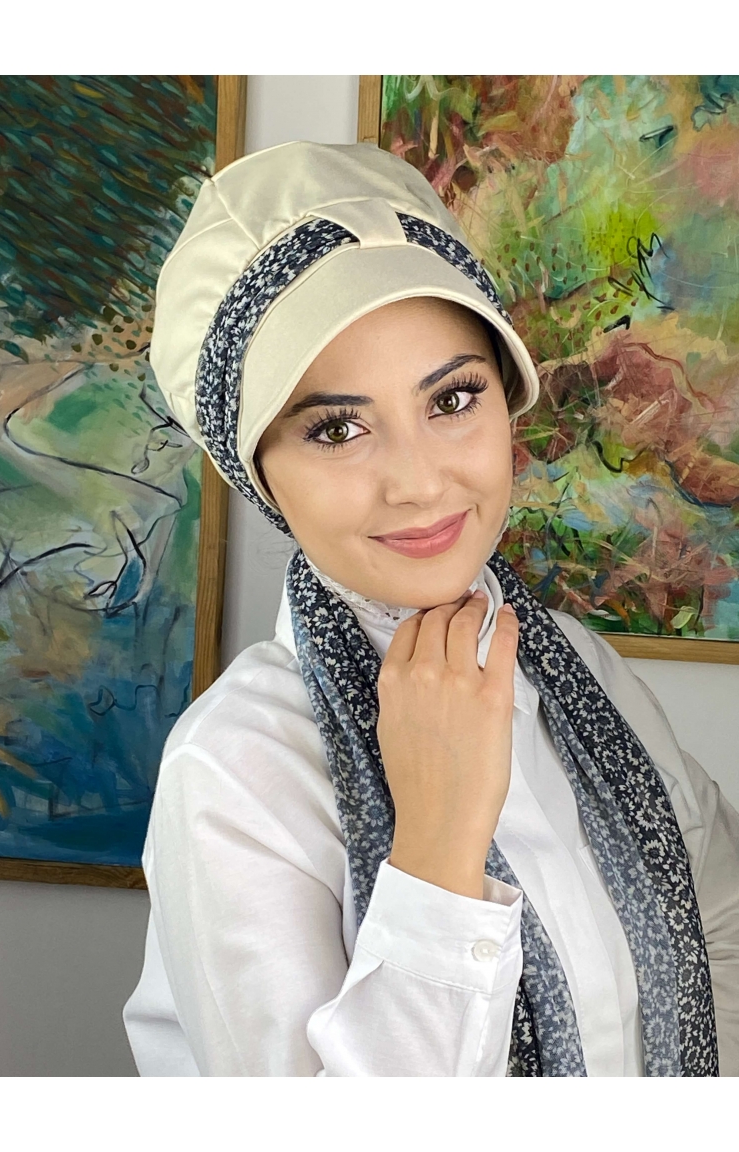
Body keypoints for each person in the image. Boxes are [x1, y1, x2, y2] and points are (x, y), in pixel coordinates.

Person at [122, 140, 739, 1077]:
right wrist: (439, 846)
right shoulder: (237, 770)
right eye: (337, 427)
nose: (418, 481)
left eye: (452, 399)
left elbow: (719, 930)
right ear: (260, 475)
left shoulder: (584, 671)